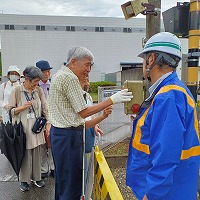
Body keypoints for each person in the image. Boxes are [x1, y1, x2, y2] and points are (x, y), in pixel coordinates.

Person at [47, 46, 133, 200]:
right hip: (69, 136)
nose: (88, 70)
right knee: (72, 185)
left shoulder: (59, 75)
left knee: (63, 181)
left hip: (60, 135)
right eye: (87, 64)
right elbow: (84, 111)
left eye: (90, 66)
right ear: (73, 62)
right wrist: (112, 99)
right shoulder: (70, 77)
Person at [126, 32, 200, 200]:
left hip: (167, 193)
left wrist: (150, 194)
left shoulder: (168, 96)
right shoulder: (172, 91)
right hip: (176, 187)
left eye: (144, 59)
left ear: (151, 59)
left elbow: (166, 154)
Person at [8, 66, 51, 192]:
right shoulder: (17, 91)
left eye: (38, 81)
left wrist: (48, 122)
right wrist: (22, 107)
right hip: (23, 128)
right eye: (34, 81)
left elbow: (45, 107)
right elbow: (10, 110)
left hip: (36, 128)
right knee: (25, 155)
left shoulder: (38, 90)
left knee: (37, 153)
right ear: (26, 79)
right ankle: (24, 180)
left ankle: (37, 178)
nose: (36, 84)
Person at [36, 60, 54, 179]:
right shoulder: (34, 86)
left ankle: (53, 167)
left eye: (48, 71)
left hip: (51, 118)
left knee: (51, 143)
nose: (47, 74)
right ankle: (43, 168)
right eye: (44, 72)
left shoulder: (53, 85)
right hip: (37, 119)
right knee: (41, 144)